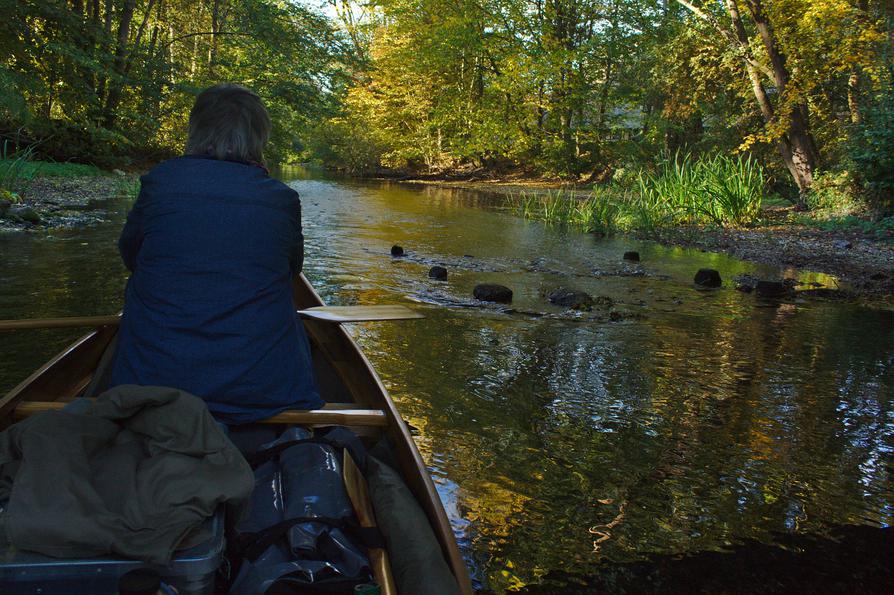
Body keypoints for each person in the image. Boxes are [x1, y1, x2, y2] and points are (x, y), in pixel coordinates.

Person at [110, 83, 322, 424]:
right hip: (262, 391)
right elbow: (291, 271)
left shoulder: (160, 183)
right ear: (259, 137)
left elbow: (130, 257)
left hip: (153, 383)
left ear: (196, 130)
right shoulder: (282, 199)